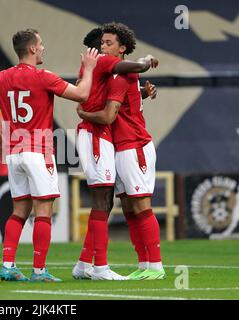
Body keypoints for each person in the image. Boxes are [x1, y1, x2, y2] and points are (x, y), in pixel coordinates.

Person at [0, 28, 99, 282]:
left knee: (18, 211)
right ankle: (39, 270)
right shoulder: (43, 76)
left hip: (15, 153)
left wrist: (4, 137)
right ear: (33, 49)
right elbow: (82, 94)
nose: (44, 48)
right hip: (38, 151)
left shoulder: (3, 77)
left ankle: (8, 265)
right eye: (41, 44)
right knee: (43, 211)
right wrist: (89, 68)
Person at [76, 22, 165, 280]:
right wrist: (143, 90)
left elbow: (108, 115)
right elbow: (127, 97)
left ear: (122, 48)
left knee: (140, 205)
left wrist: (83, 113)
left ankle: (155, 265)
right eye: (101, 43)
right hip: (122, 146)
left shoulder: (120, 74)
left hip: (133, 144)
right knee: (128, 207)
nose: (102, 47)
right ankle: (144, 264)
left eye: (108, 44)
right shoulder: (118, 75)